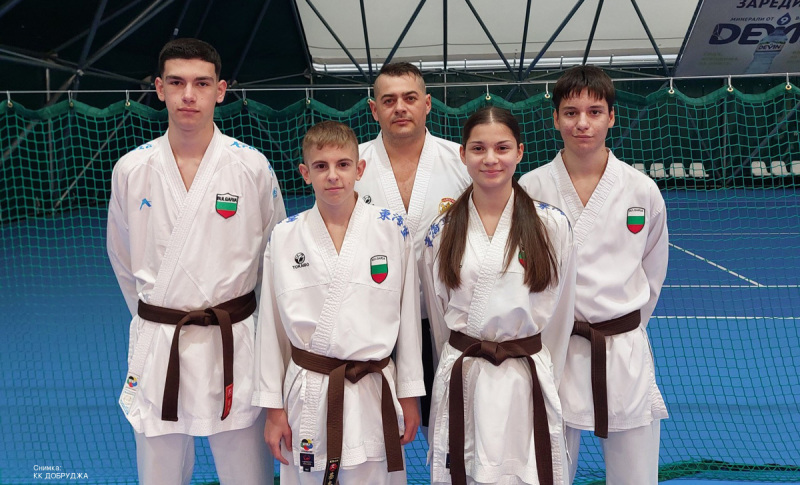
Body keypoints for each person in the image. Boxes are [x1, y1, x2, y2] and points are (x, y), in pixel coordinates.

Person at [106, 38, 285, 485]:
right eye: (177, 82)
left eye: (202, 83)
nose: (189, 95)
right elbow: (122, 258)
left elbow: (275, 259)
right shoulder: (131, 168)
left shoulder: (251, 166)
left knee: (249, 476)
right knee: (159, 476)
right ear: (159, 88)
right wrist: (157, 316)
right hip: (160, 341)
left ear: (220, 91)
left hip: (233, 341)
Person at [519, 65, 669, 485]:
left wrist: (625, 324)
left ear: (611, 117)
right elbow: (521, 275)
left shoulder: (641, 190)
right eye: (571, 112)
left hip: (621, 347)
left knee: (636, 475)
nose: (582, 123)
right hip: (552, 348)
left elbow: (653, 272)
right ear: (555, 119)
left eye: (594, 111)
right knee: (545, 472)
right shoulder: (530, 188)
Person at [253, 120, 424, 484]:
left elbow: (409, 320)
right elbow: (270, 328)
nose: (333, 176)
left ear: (359, 169)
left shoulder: (392, 229)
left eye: (343, 164)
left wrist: (409, 395)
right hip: (309, 391)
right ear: (305, 173)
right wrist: (273, 409)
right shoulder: (284, 236)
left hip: (372, 390)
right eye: (321, 166)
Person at [421, 106, 576, 485]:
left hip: (525, 376)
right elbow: (439, 322)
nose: (490, 159)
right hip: (465, 373)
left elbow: (560, 315)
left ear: (520, 152)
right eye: (478, 148)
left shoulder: (551, 225)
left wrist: (543, 367)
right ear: (463, 154)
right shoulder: (440, 231)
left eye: (502, 148)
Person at [357, 61, 471, 434]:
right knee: (381, 434)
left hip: (449, 319)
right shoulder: (351, 165)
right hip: (376, 322)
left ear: (427, 103)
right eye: (388, 100)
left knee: (456, 431)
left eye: (409, 98)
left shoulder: (463, 162)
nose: (400, 108)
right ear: (374, 109)